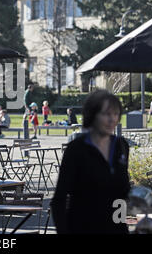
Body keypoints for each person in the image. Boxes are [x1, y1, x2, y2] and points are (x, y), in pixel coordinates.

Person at [50, 90, 130, 234]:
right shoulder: (76, 149)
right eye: (106, 114)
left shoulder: (121, 146)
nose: (112, 119)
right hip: (83, 228)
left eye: (116, 114)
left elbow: (122, 192)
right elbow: (58, 200)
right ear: (92, 115)